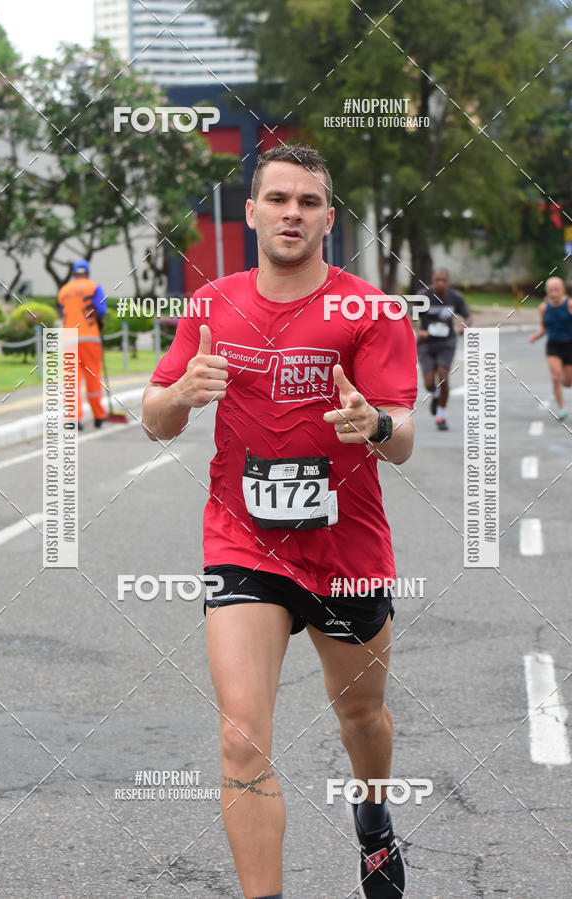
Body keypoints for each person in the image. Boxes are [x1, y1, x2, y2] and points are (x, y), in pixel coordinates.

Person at [142, 145, 417, 898]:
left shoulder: (372, 310)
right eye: (279, 198)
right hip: (245, 544)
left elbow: (404, 438)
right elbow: (154, 419)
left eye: (309, 201)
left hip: (346, 550)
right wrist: (180, 394)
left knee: (362, 716)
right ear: (254, 211)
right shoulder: (210, 305)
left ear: (329, 218)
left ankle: (372, 814)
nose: (292, 211)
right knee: (240, 738)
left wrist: (375, 424)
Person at [416, 268, 471, 430]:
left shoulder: (455, 297)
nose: (440, 283)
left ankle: (441, 416)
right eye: (437, 280)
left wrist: (463, 325)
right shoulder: (423, 296)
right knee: (428, 383)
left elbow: (468, 316)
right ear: (433, 280)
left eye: (443, 280)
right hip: (427, 343)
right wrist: (419, 331)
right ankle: (436, 394)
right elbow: (411, 316)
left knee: (443, 376)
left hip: (447, 342)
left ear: (448, 282)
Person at [57, 260, 107, 430]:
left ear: (73, 274)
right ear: (87, 273)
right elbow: (101, 310)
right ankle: (99, 416)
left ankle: (73, 419)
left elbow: (61, 312)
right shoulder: (94, 287)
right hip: (89, 337)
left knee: (71, 380)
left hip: (69, 338)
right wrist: (99, 321)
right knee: (93, 377)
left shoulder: (63, 291)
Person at [529, 276, 572, 421]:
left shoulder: (570, 304)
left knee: (568, 382)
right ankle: (561, 409)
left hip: (569, 345)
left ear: (562, 290)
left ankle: (563, 380)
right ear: (546, 291)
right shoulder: (543, 307)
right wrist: (536, 335)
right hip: (553, 346)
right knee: (555, 376)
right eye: (551, 290)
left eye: (556, 290)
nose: (554, 293)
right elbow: (543, 327)